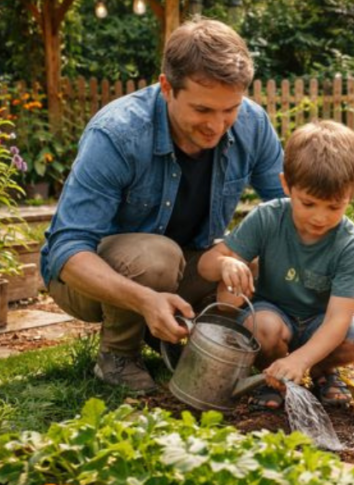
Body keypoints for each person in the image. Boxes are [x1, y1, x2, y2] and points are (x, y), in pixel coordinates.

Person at [40, 18, 285, 394]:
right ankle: (118, 356)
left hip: (187, 262)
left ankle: (178, 338)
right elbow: (66, 250)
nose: (218, 126)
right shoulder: (118, 133)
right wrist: (143, 300)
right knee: (157, 257)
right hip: (91, 281)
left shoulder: (251, 123)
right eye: (203, 110)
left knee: (249, 259)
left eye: (230, 109)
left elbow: (287, 212)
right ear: (167, 87)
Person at [198, 120, 354, 410]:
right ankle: (272, 376)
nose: (320, 217)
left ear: (351, 195)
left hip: (319, 321)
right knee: (260, 326)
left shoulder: (351, 244)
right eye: (308, 203)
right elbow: (205, 265)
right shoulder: (267, 218)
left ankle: (322, 371)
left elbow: (338, 320)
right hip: (274, 314)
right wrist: (225, 262)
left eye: (334, 207)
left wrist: (301, 359)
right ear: (286, 185)